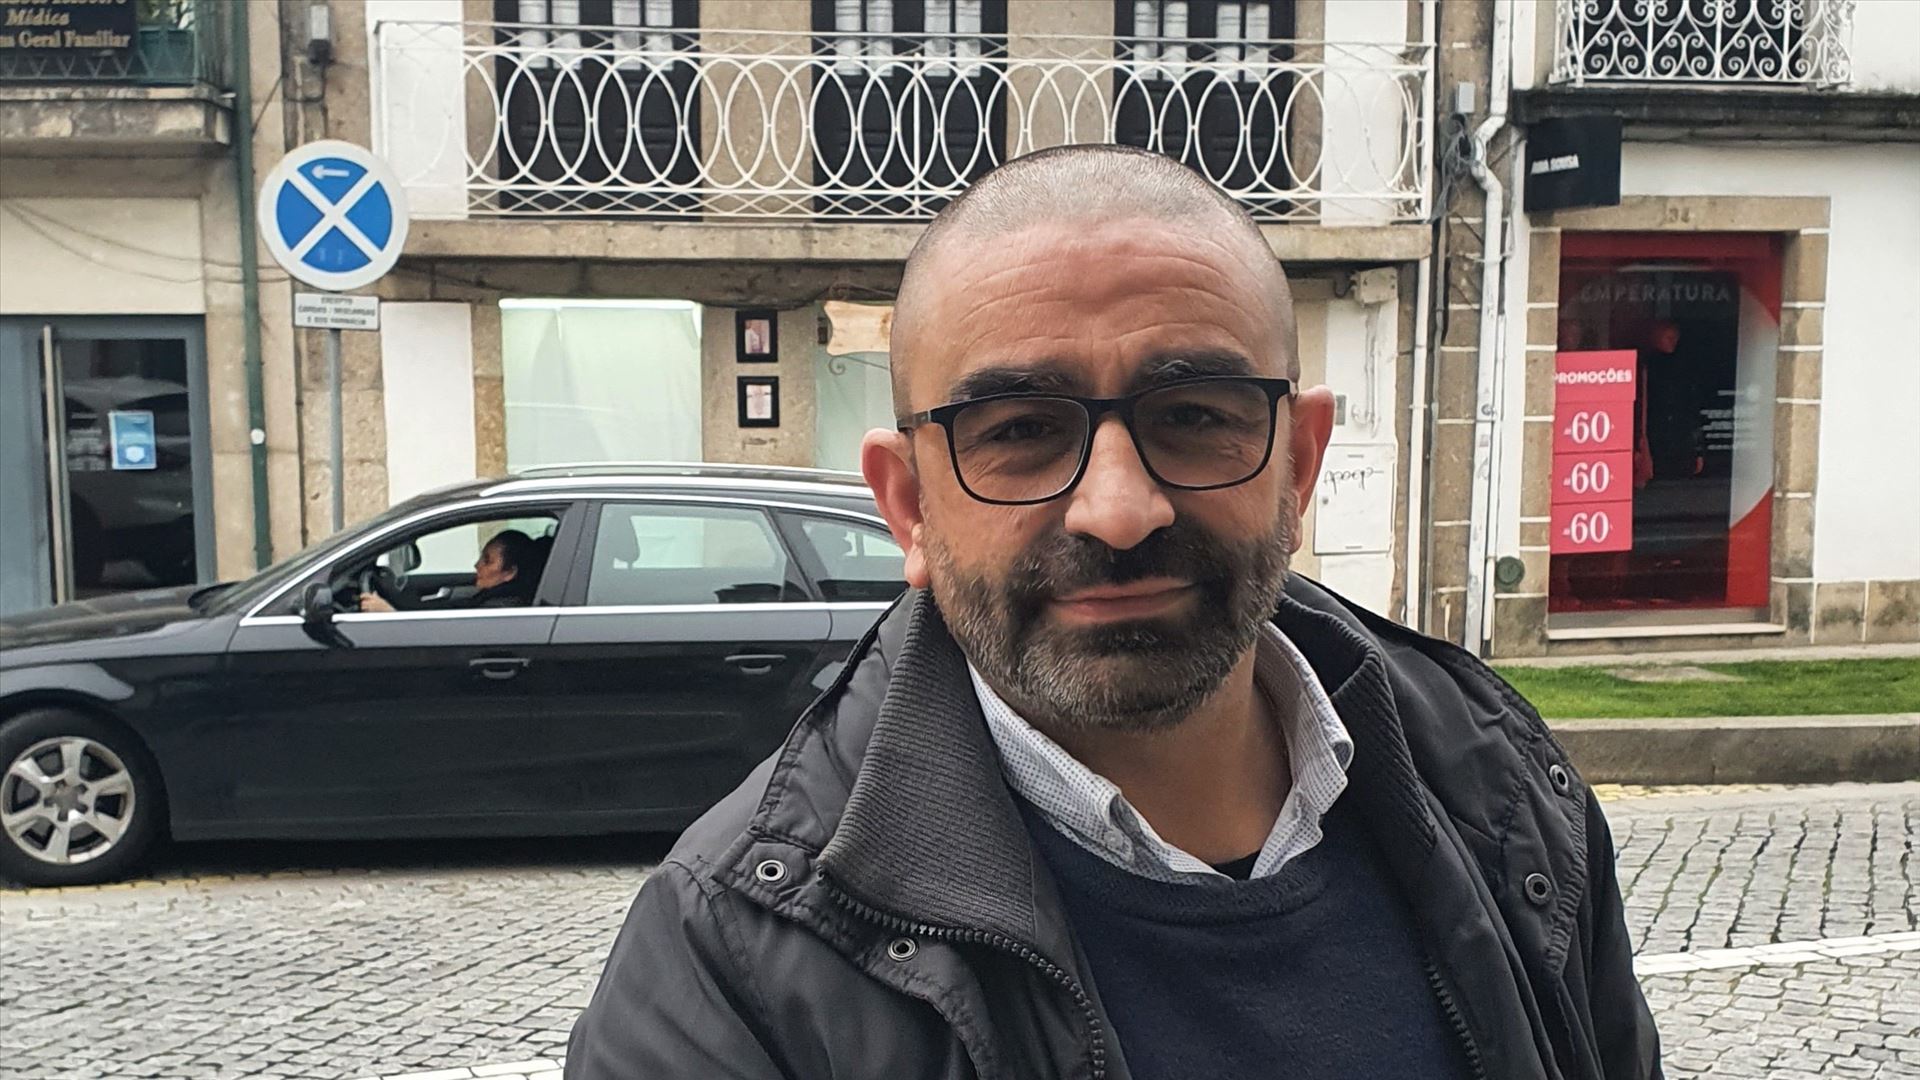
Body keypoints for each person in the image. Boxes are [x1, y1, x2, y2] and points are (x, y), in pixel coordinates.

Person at [567, 146, 1661, 1079]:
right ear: (908, 507)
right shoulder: (730, 962)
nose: (1121, 509)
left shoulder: (1507, 792)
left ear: (1298, 466)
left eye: (1195, 415)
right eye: (1019, 430)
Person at [358, 529, 538, 613]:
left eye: (487, 560)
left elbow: (440, 637)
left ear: (509, 573)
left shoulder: (499, 610)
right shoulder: (490, 599)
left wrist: (390, 615)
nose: (476, 565)